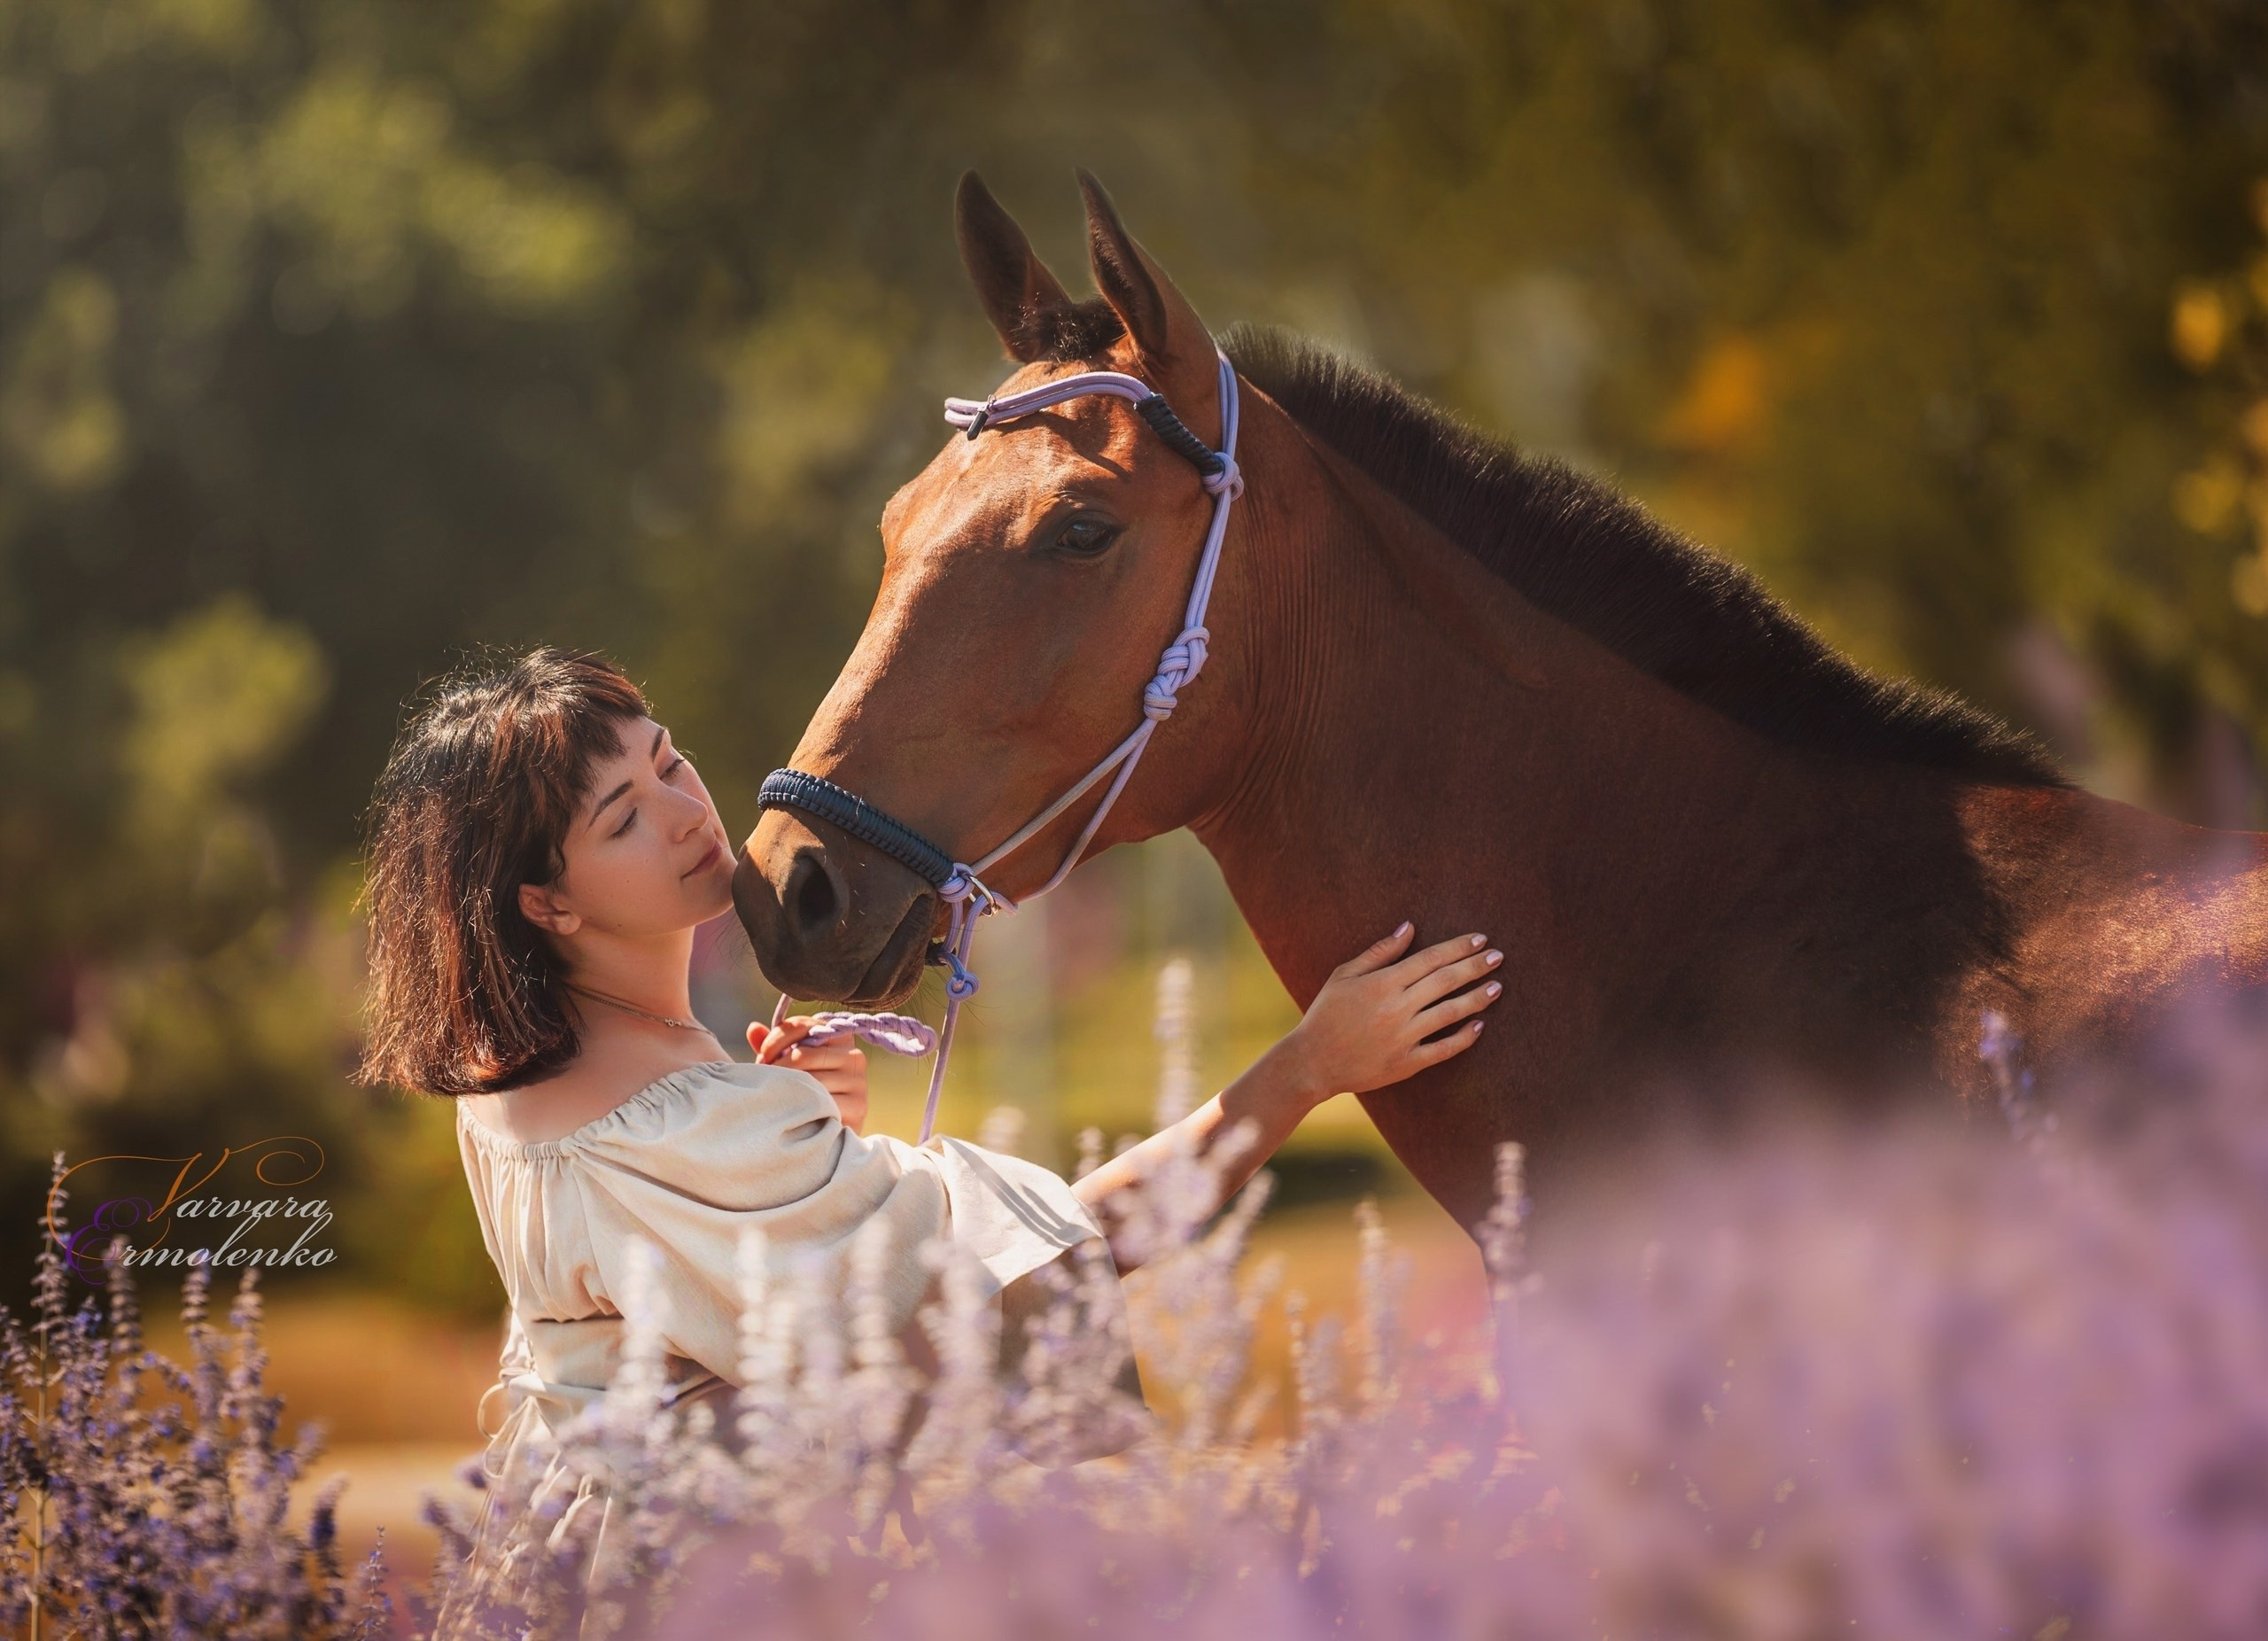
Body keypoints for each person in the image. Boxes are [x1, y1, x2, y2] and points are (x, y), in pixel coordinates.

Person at [354, 647, 1503, 1614]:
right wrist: (1310, 1066)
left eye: (669, 761)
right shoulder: (683, 1124)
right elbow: (1036, 1254)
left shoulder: (514, 1082)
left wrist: (807, 1150)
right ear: (547, 904)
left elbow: (657, 1299)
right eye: (623, 818)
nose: (683, 812)